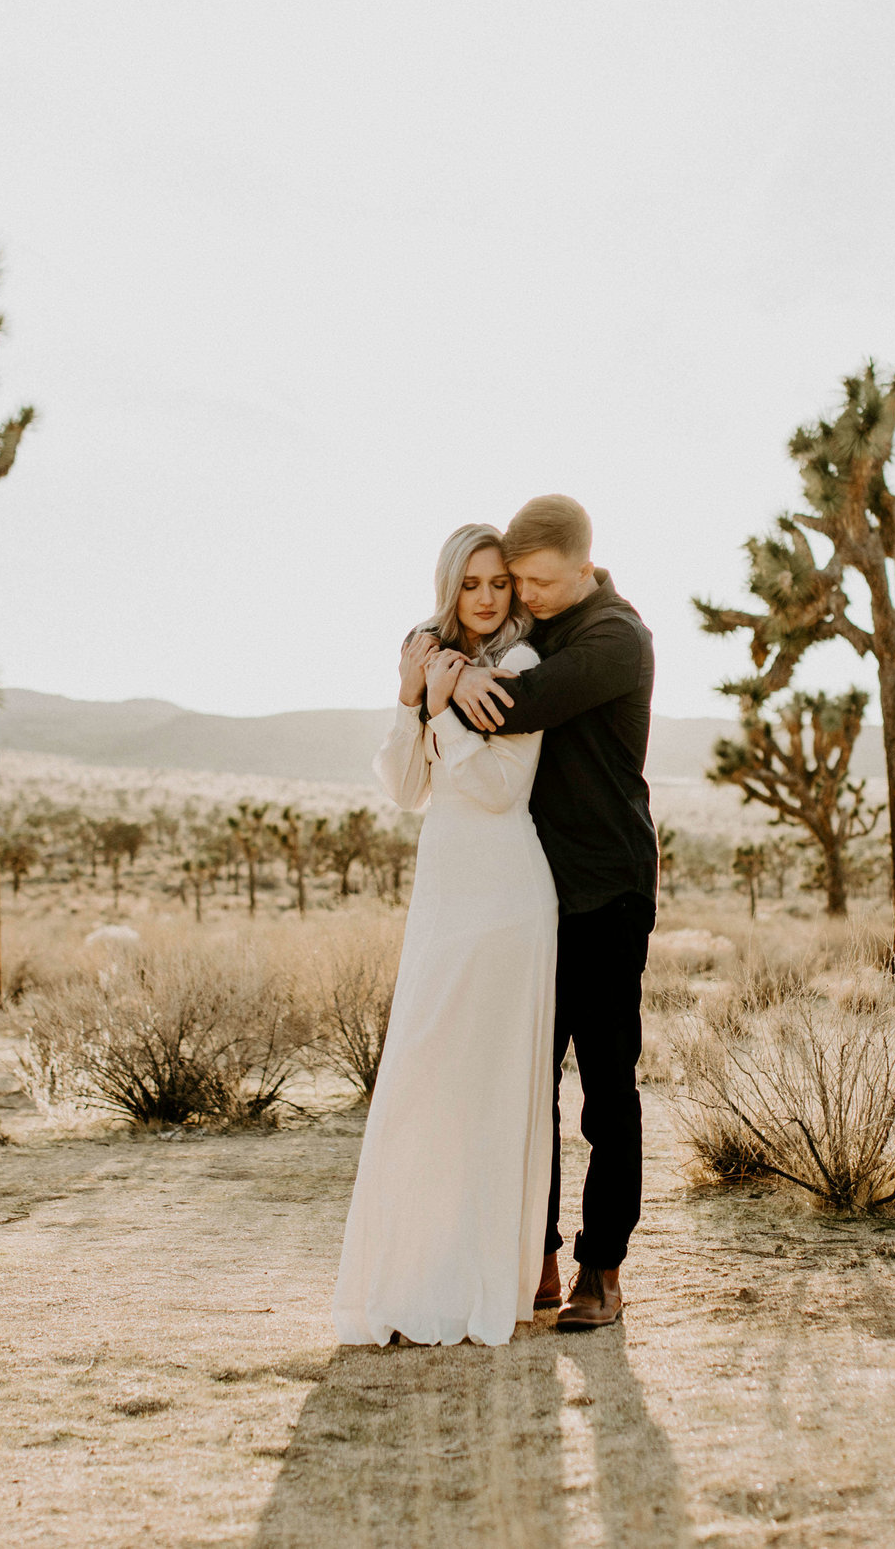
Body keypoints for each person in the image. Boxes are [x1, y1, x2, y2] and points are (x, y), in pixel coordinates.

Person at [332, 524, 557, 1347]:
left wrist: (446, 710)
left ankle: (483, 1289)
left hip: (504, 897)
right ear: (449, 588)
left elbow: (500, 789)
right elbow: (403, 787)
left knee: (488, 1094)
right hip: (443, 897)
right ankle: (417, 1280)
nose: (489, 597)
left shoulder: (522, 670)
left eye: (499, 581)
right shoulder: (432, 663)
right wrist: (411, 695)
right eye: (471, 584)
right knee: (425, 1081)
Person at [446, 494, 656, 1332]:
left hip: (607, 891)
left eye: (537, 579)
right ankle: (533, 1258)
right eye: (516, 580)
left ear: (583, 563)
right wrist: (436, 648)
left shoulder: (616, 637)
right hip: (531, 895)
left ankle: (600, 1269)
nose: (523, 594)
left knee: (606, 1091)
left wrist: (452, 674)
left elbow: (520, 705)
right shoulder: (530, 631)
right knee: (528, 1087)